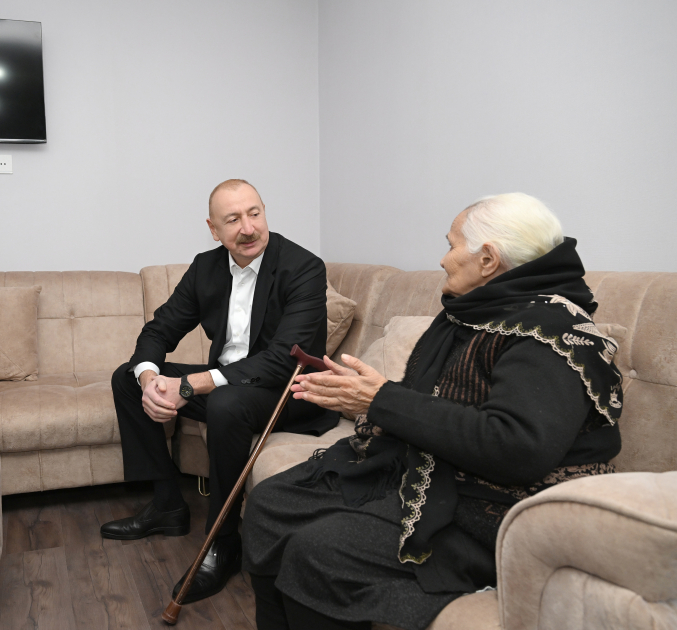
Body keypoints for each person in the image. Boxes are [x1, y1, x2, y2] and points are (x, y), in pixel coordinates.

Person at [242, 193, 623, 630]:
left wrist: (381, 399)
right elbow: (431, 402)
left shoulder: (551, 332)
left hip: (492, 506)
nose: (443, 259)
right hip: (428, 465)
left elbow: (517, 447)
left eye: (451, 245)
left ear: (487, 259)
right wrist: (365, 398)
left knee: (320, 551)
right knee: (271, 505)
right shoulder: (472, 311)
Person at [101, 179, 337, 603]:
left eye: (254, 214)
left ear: (264, 213)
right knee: (127, 376)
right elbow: (159, 330)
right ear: (213, 229)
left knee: (225, 401)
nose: (248, 228)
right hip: (230, 382)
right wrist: (151, 382)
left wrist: (190, 385)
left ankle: (223, 542)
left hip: (290, 392)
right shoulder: (206, 267)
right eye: (233, 220)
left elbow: (282, 359)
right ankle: (167, 505)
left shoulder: (303, 267)